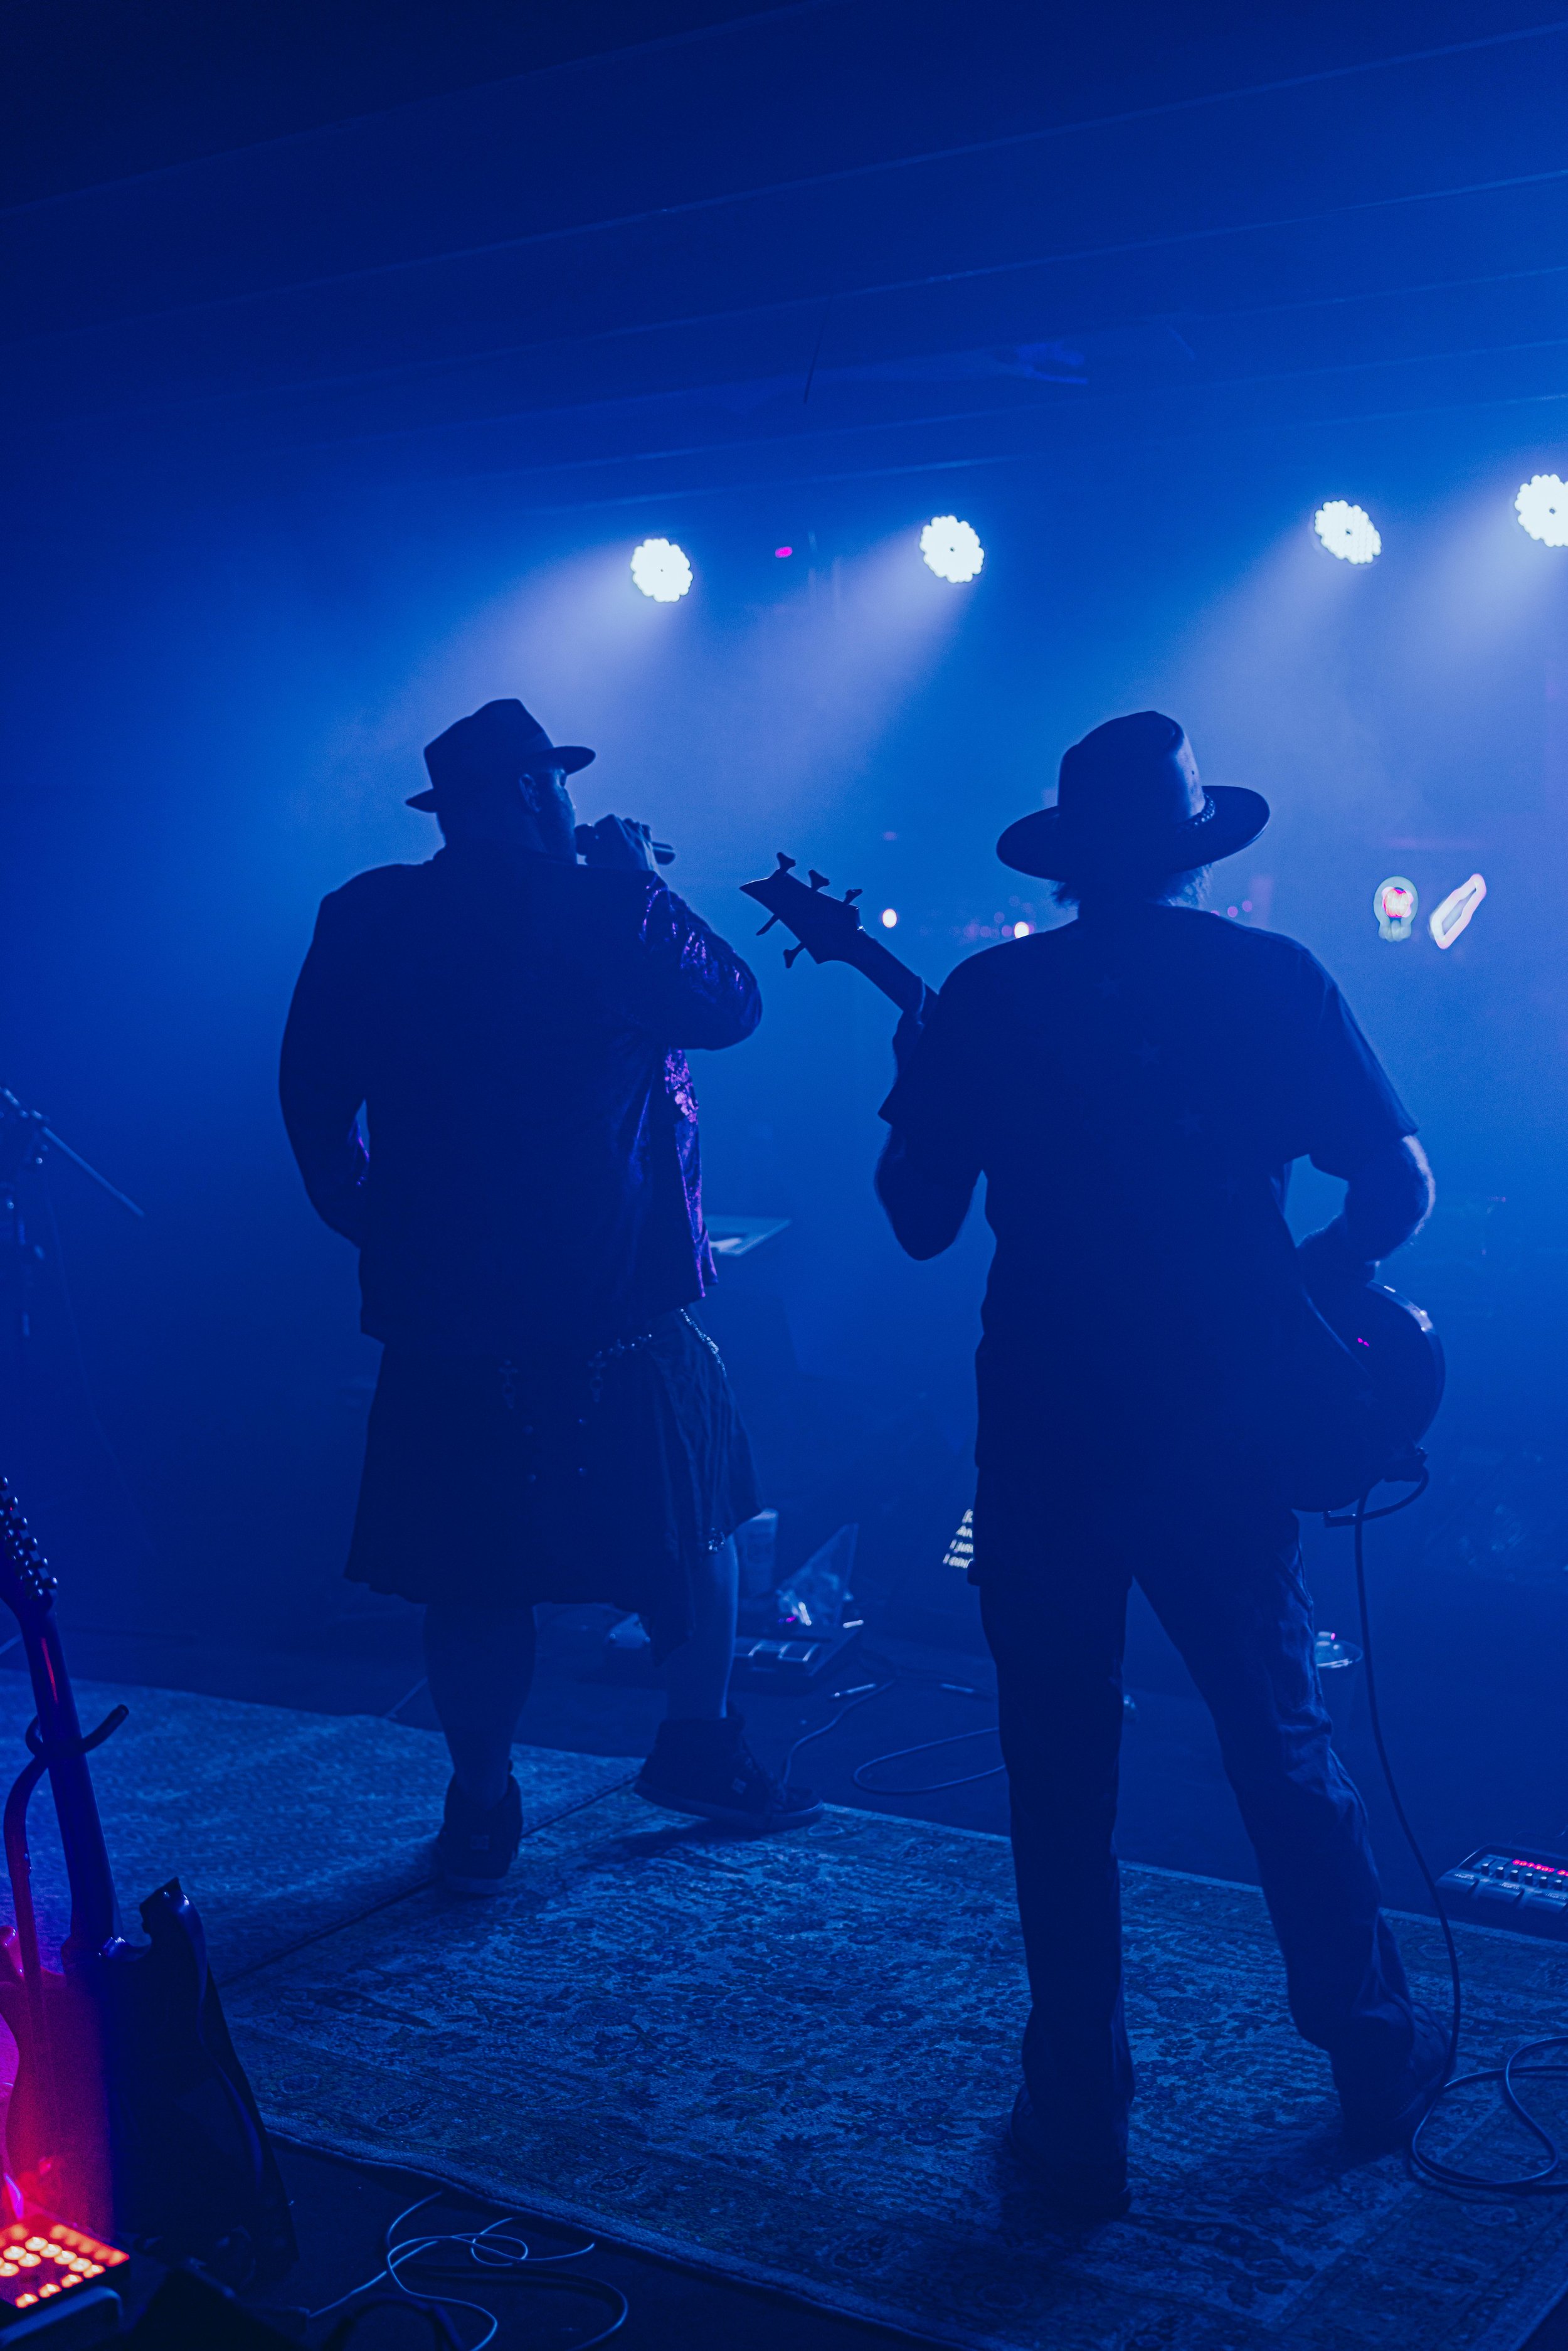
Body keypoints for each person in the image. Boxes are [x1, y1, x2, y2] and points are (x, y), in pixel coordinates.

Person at [876, 711, 1443, 2224]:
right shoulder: (1270, 977)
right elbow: (1396, 1185)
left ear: (1066, 859)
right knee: (1276, 1733)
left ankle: (1076, 2117)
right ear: (1195, 847)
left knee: (1055, 1771)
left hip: (1047, 1424)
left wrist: (914, 1072)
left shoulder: (989, 996)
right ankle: (1374, 2054)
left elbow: (919, 1221)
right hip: (1220, 1424)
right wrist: (1304, 1289)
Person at [280, 696, 820, 1893]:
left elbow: (312, 1094)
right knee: (705, 1511)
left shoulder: (367, 914)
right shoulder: (597, 906)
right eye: (562, 785)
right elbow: (731, 1004)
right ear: (536, 794)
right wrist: (635, 882)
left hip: (447, 1305)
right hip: (610, 1292)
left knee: (471, 1567)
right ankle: (698, 1747)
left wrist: (367, 1209)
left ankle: (481, 1806)